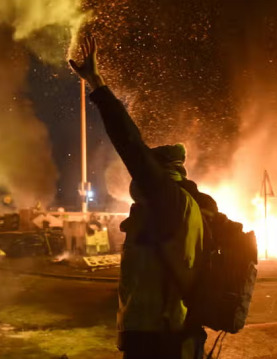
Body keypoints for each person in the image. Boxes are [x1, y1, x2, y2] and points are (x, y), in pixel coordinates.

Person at [70, 36, 207, 359]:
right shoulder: (191, 206)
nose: (137, 175)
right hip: (174, 333)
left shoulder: (168, 201)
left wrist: (96, 84)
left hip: (158, 340)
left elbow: (130, 144)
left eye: (146, 170)